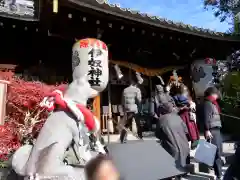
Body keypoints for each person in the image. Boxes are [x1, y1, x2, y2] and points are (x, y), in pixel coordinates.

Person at [155, 102, 190, 169]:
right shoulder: (178, 117)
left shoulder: (161, 119)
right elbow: (186, 131)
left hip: (171, 149)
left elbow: (157, 134)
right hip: (184, 148)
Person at [203, 86, 222, 180]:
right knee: (216, 152)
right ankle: (218, 174)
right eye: (216, 94)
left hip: (216, 129)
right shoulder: (207, 103)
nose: (217, 95)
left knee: (218, 151)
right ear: (212, 94)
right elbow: (206, 118)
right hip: (212, 130)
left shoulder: (213, 103)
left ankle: (218, 172)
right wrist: (207, 130)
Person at [173, 85, 199, 149]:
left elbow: (193, 108)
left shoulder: (187, 98)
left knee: (190, 130)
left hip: (186, 115)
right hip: (183, 116)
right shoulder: (176, 97)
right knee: (188, 130)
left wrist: (191, 107)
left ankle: (191, 143)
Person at [120, 78, 142, 143]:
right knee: (138, 123)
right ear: (134, 83)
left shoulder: (125, 90)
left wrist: (124, 109)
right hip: (134, 108)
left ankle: (123, 137)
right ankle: (140, 136)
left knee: (127, 123)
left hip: (127, 109)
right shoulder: (137, 90)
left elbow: (122, 101)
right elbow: (139, 100)